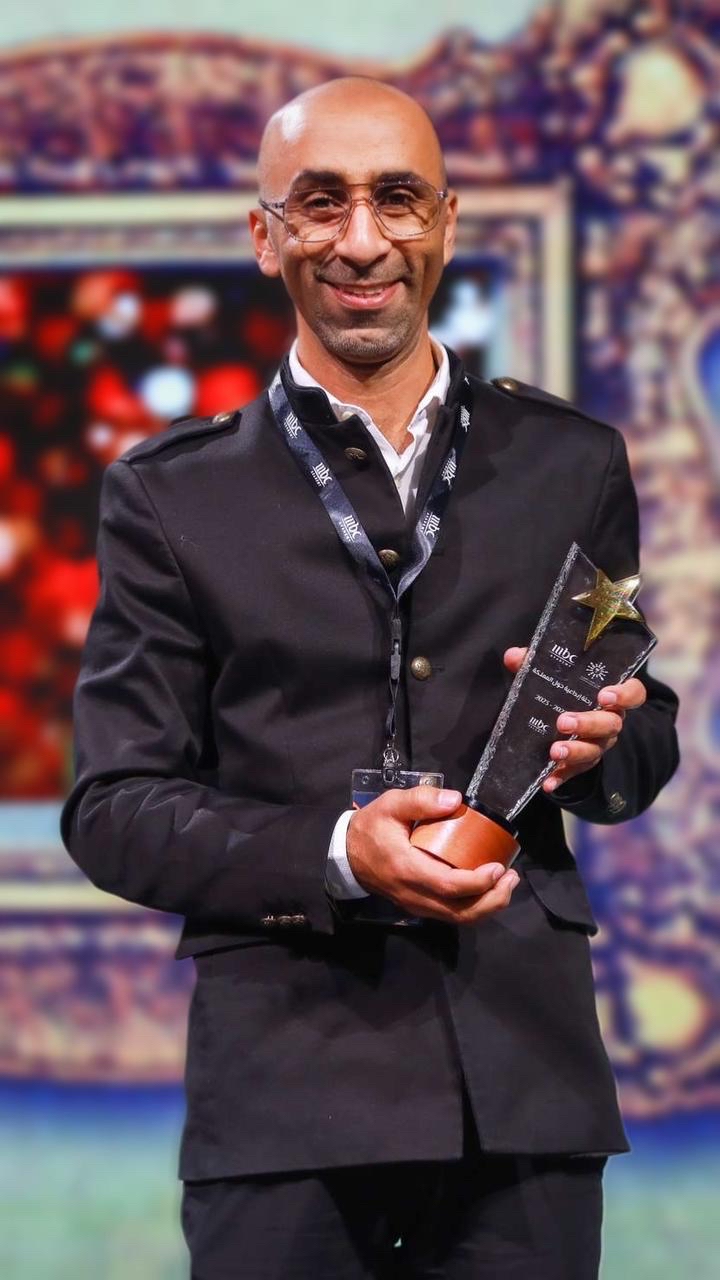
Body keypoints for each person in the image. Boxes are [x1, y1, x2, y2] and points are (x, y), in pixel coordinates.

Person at [61, 77, 679, 1279]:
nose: (361, 240)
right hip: (285, 1092)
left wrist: (607, 747)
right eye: (320, 202)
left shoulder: (572, 461)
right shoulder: (171, 493)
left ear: (444, 222)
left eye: (396, 199)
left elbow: (637, 730)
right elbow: (113, 806)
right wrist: (338, 851)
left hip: (523, 1085)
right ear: (265, 236)